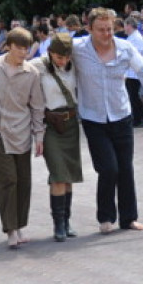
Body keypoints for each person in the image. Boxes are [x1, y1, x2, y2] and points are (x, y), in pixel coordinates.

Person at [71, 8, 143, 232]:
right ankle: (106, 217)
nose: (106, 34)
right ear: (89, 29)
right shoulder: (77, 49)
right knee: (108, 168)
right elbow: (49, 62)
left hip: (121, 115)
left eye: (109, 29)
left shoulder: (125, 48)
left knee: (125, 168)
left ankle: (129, 218)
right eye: (101, 30)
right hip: (93, 117)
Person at [0, 27, 45, 249]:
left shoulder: (31, 73)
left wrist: (39, 136)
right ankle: (10, 229)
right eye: (19, 47)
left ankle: (19, 225)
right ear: (8, 46)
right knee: (7, 180)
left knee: (23, 181)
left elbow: (37, 107)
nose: (23, 52)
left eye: (26, 47)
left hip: (21, 131)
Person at [34, 33, 82, 241]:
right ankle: (58, 224)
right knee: (58, 175)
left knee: (69, 176)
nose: (63, 61)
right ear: (50, 52)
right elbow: (15, 72)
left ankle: (67, 221)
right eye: (59, 57)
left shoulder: (75, 66)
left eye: (66, 57)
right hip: (51, 125)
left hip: (70, 123)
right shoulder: (38, 66)